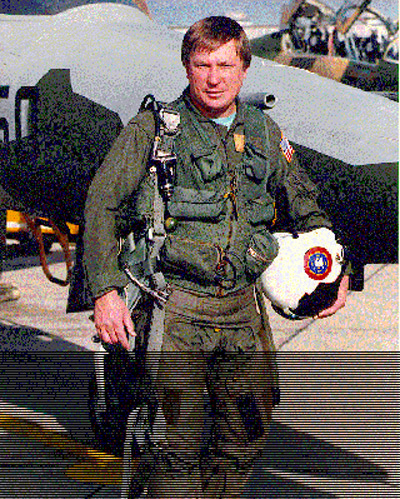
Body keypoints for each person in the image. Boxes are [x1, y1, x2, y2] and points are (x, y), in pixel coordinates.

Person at [83, 16, 348, 498]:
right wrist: (105, 292)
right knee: (175, 448)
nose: (213, 78)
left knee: (247, 434)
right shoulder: (154, 130)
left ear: (244, 69)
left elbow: (306, 204)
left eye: (225, 65)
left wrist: (336, 269)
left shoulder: (264, 131)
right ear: (186, 66)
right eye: (202, 64)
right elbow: (101, 204)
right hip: (178, 310)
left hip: (243, 312)